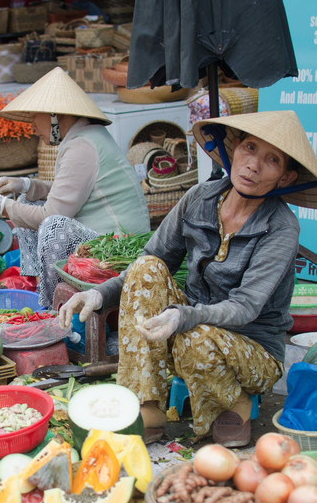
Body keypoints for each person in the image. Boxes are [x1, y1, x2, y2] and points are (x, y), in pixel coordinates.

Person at [58, 110, 317, 448]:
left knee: (195, 338)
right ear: (235, 148)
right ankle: (147, 407)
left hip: (253, 351)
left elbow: (245, 307)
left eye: (271, 160)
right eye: (250, 148)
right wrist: (98, 295)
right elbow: (151, 259)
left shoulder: (281, 228)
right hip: (189, 330)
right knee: (146, 268)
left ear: (285, 177)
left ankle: (236, 401)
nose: (253, 165)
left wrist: (185, 316)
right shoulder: (200, 199)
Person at [0, 67, 150, 306]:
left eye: (35, 117)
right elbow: (71, 190)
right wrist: (26, 184)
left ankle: (51, 304)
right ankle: (35, 282)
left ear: (54, 115)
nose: (33, 127)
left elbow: (52, 214)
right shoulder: (84, 137)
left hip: (119, 249)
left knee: (53, 225)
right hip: (105, 237)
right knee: (27, 201)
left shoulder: (81, 146)